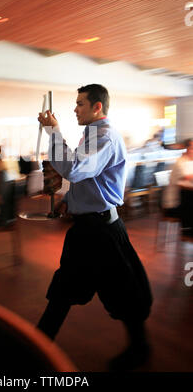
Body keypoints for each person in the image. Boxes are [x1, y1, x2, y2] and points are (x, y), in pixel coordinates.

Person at [37, 84, 153, 371]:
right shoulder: (93, 135)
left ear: (97, 107)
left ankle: (140, 348)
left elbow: (75, 169)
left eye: (80, 104)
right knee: (63, 291)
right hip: (88, 230)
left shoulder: (104, 136)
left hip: (102, 232)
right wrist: (70, 200)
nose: (75, 109)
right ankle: (38, 344)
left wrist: (53, 132)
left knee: (123, 292)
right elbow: (88, 180)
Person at [162, 138, 193, 232]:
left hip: (185, 201)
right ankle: (188, 231)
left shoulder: (190, 161)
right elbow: (189, 177)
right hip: (175, 203)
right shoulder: (181, 162)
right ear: (187, 149)